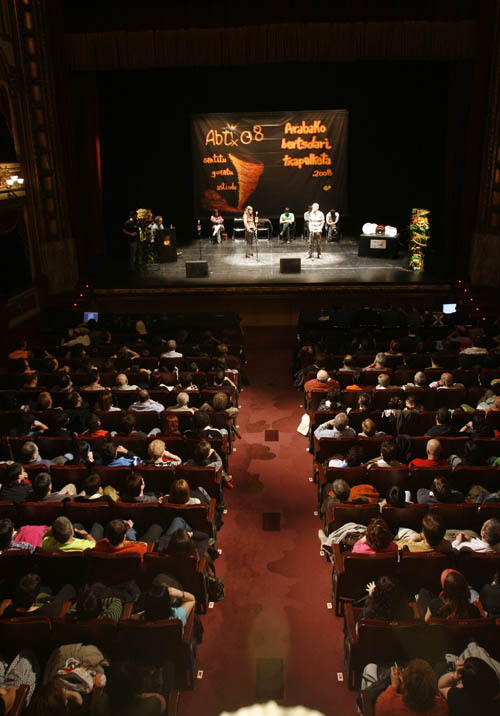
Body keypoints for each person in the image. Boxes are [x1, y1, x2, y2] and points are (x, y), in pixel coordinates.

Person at [365, 659, 448, 716]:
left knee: (370, 667)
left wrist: (393, 686)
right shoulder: (442, 708)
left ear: (405, 687)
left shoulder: (386, 704)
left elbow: (378, 706)